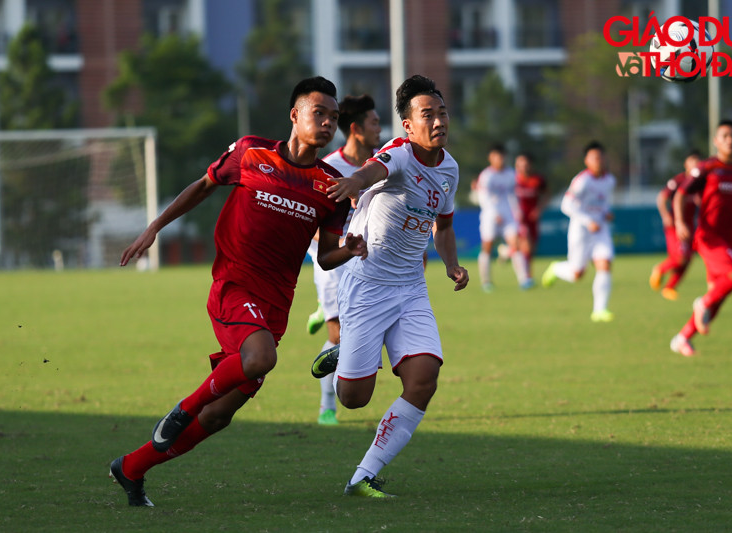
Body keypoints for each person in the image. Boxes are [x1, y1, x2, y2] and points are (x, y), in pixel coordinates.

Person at [108, 76, 368, 507]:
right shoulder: (252, 152)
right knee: (259, 359)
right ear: (295, 115)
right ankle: (181, 408)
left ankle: (131, 468)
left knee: (218, 415)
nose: (327, 123)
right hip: (233, 286)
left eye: (334, 118)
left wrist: (350, 250)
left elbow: (324, 258)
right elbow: (204, 185)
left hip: (275, 306)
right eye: (319, 113)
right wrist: (155, 227)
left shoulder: (331, 187)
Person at [310, 75, 469, 498]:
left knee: (423, 378)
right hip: (368, 285)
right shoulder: (398, 153)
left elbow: (445, 225)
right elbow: (371, 171)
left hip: (411, 289)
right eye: (427, 115)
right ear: (408, 126)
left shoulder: (449, 169)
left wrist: (452, 264)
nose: (438, 121)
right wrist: (352, 184)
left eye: (442, 112)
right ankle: (342, 353)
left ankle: (364, 474)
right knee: (353, 398)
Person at [307, 94, 382, 425]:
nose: (380, 129)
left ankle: (322, 313)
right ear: (356, 129)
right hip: (333, 262)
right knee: (338, 336)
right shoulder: (331, 169)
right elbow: (311, 221)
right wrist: (338, 244)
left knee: (361, 332)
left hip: (368, 264)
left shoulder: (382, 165)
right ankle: (327, 406)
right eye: (375, 123)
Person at [670, 120, 732, 357]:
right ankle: (701, 303)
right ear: (716, 141)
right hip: (709, 237)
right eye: (724, 136)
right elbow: (681, 194)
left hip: (731, 238)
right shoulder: (707, 168)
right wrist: (680, 221)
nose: (730, 140)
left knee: (718, 297)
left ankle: (682, 338)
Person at [541, 141, 616, 322]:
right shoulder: (582, 181)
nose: (598, 161)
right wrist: (587, 220)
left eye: (601, 157)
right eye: (594, 158)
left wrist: (605, 213)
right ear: (586, 160)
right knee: (577, 274)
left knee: (605, 264)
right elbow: (566, 205)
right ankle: (555, 268)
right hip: (581, 231)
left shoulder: (609, 180)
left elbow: (602, 202)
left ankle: (599, 310)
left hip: (600, 231)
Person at [649, 149, 702, 301]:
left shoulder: (699, 183)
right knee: (680, 257)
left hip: (690, 224)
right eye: (692, 161)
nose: (695, 165)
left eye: (698, 162)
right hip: (675, 225)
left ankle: (670, 287)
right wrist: (665, 215)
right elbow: (661, 197)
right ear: (686, 164)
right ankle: (660, 269)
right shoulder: (679, 181)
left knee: (688, 258)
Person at [471, 144, 519, 292]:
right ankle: (486, 281)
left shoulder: (511, 174)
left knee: (516, 245)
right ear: (491, 158)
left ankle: (524, 280)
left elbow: (513, 195)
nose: (500, 159)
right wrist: (494, 213)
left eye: (502, 156)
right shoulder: (487, 175)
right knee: (487, 247)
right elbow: (483, 197)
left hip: (508, 214)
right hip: (490, 216)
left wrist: (517, 212)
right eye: (496, 156)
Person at [513, 151, 549, 289]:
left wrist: (539, 209)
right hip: (518, 218)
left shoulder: (538, 180)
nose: (522, 167)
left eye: (525, 165)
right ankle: (526, 278)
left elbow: (546, 194)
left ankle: (507, 252)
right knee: (526, 246)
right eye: (519, 165)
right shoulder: (513, 180)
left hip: (532, 218)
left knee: (531, 249)